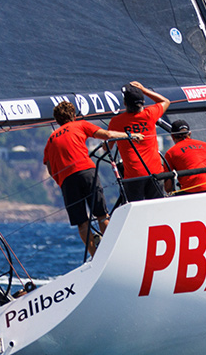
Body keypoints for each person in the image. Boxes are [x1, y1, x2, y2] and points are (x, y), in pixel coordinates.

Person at [43, 101, 143, 256]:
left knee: (82, 224)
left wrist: (61, 181)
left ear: (57, 120)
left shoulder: (50, 139)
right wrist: (129, 135)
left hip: (67, 181)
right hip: (86, 172)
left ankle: (95, 256)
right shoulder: (80, 125)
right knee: (102, 215)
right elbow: (108, 135)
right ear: (73, 116)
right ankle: (114, 253)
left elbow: (49, 168)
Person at [107, 81, 169, 202]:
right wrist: (144, 90)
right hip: (155, 171)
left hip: (134, 175)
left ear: (125, 103)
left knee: (135, 208)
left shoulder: (116, 121)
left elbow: (107, 147)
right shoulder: (150, 114)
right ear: (143, 102)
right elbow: (165, 101)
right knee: (157, 207)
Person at [163, 119, 206, 194]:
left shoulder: (170, 153)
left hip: (193, 192)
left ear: (172, 136)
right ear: (189, 134)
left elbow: (168, 188)